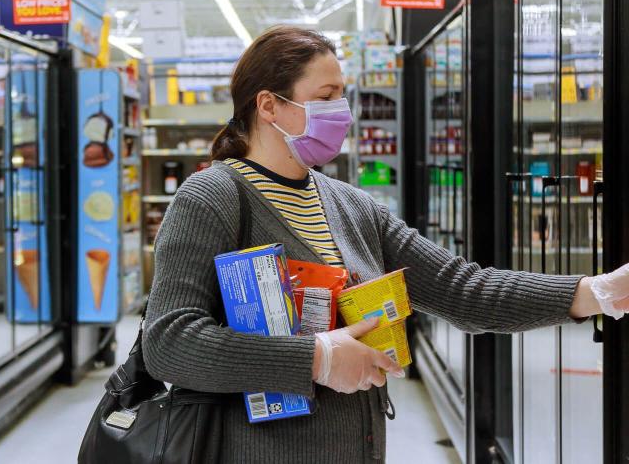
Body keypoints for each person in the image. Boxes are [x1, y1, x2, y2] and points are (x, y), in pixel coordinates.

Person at [141, 26, 629, 463]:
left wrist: (594, 292)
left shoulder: (351, 206)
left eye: (343, 96)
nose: (342, 112)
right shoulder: (212, 198)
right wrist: (315, 359)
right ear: (269, 105)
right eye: (326, 95)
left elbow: (459, 288)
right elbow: (167, 341)